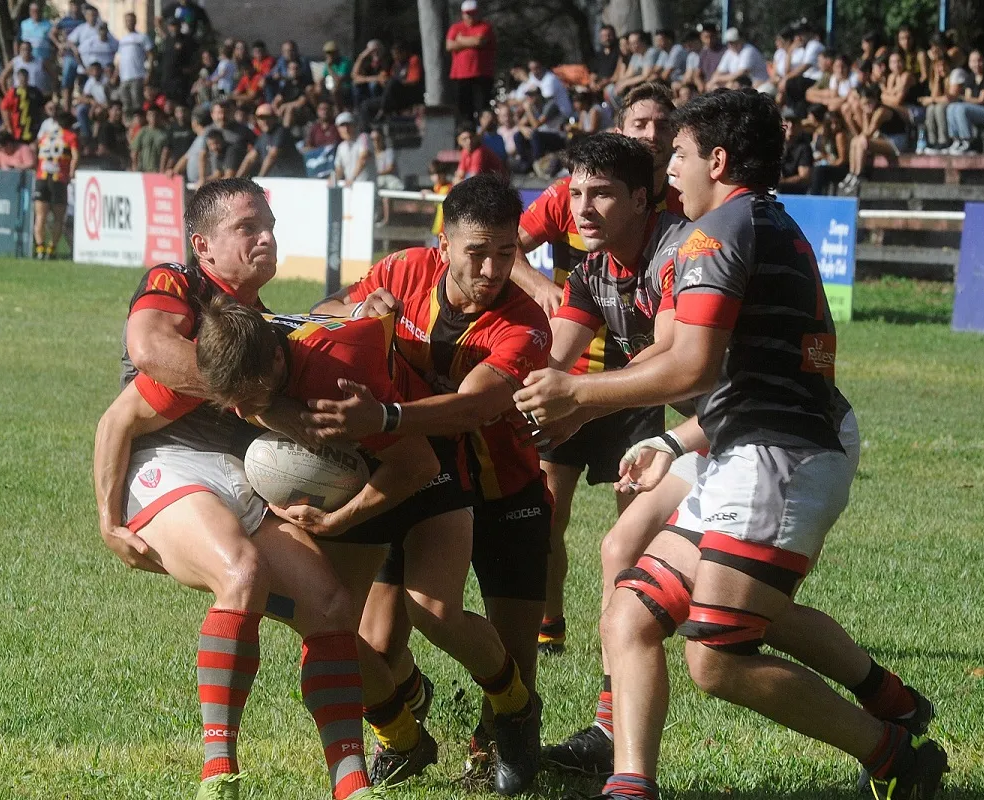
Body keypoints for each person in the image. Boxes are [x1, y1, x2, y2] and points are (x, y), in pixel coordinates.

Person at [512, 89, 948, 800]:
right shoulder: (747, 221)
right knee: (631, 610)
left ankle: (897, 756)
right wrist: (667, 434)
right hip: (750, 443)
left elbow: (691, 367)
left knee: (718, 654)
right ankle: (630, 785)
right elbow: (712, 367)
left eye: (676, 155)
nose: (668, 169)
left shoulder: (715, 233)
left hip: (781, 452)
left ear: (715, 160)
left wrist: (580, 398)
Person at [94, 178, 392, 800]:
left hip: (238, 475)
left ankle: (351, 782)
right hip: (164, 464)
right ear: (203, 246)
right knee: (243, 573)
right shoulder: (180, 289)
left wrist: (361, 317)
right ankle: (219, 776)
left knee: (332, 604)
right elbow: (143, 364)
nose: (266, 239)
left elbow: (311, 324)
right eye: (248, 228)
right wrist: (107, 517)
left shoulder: (253, 323)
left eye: (271, 226)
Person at [307, 174, 551, 796]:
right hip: (420, 477)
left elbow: (471, 411)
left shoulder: (524, 323)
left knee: (504, 650)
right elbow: (324, 312)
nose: (493, 268)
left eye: (506, 253)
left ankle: (510, 725)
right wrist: (363, 313)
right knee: (379, 646)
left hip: (508, 490)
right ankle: (412, 711)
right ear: (445, 243)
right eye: (478, 252)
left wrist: (382, 418)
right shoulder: (404, 270)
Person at [506, 83, 678, 660]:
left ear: (639, 197)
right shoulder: (589, 265)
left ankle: (631, 631)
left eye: (598, 194)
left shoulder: (685, 240)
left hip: (667, 397)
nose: (582, 208)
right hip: (586, 386)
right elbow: (550, 357)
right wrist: (499, 396)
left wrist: (578, 399)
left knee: (632, 529)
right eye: (640, 123)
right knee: (554, 515)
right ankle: (566, 627)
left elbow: (680, 358)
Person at [839, 85, 907, 193]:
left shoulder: (881, 112)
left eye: (869, 103)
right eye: (864, 104)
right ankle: (852, 173)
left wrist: (866, 116)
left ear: (875, 100)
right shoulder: (869, 112)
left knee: (861, 142)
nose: (868, 106)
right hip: (884, 139)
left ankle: (860, 175)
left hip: (896, 142)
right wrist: (865, 114)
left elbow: (868, 133)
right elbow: (865, 131)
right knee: (854, 140)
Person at [33, 108, 79, 260]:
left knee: (41, 216)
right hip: (59, 179)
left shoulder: (46, 136)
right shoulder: (71, 136)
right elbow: (75, 156)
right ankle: (51, 249)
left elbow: (36, 153)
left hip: (41, 178)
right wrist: (72, 172)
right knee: (59, 218)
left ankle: (40, 248)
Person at [446, 0, 497, 123]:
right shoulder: (456, 27)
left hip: (481, 74)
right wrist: (470, 41)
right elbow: (449, 45)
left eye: (473, 13)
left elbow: (479, 41)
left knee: (482, 108)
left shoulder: (485, 27)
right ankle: (467, 132)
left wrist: (460, 39)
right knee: (464, 109)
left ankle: (482, 133)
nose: (470, 17)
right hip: (460, 75)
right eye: (468, 14)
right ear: (463, 14)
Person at [945, 49, 984, 154]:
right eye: (973, 61)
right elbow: (968, 98)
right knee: (952, 107)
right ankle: (957, 140)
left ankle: (968, 142)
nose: (976, 64)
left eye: (979, 60)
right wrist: (960, 99)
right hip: (979, 109)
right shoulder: (971, 77)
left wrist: (960, 97)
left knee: (961, 109)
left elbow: (982, 100)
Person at [236, 104, 304, 178]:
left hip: (291, 179)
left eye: (268, 117)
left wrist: (260, 178)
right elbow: (249, 159)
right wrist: (236, 180)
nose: (265, 121)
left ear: (274, 118)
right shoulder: (262, 137)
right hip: (274, 180)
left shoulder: (281, 132)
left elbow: (272, 155)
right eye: (261, 118)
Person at [116, 12, 154, 113]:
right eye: (127, 21)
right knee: (126, 105)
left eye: (131, 20)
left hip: (137, 76)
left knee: (137, 104)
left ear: (135, 21)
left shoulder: (142, 37)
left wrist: (149, 72)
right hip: (124, 78)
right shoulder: (123, 40)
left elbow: (150, 55)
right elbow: (120, 58)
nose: (129, 23)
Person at [51, 0, 86, 106]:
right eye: (73, 4)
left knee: (82, 83)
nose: (75, 7)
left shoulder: (84, 20)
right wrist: (59, 45)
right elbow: (52, 33)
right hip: (69, 56)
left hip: (82, 57)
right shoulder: (65, 20)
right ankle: (67, 109)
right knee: (67, 84)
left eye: (77, 4)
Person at [808, 107, 850, 194]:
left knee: (819, 171)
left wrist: (829, 162)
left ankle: (814, 196)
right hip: (829, 164)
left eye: (836, 123)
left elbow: (842, 160)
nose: (834, 126)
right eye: (831, 123)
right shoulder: (825, 136)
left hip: (841, 168)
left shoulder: (840, 136)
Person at [1, 69, 46, 147]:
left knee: (34, 148)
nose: (23, 80)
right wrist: (8, 126)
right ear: (18, 78)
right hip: (18, 129)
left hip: (33, 128)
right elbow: (5, 108)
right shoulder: (13, 92)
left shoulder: (35, 91)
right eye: (21, 77)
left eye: (25, 77)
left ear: (28, 78)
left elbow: (42, 108)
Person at [332, 112, 375, 186]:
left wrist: (352, 178)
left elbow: (363, 158)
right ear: (338, 129)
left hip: (366, 188)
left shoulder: (364, 137)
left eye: (348, 125)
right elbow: (339, 169)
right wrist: (333, 179)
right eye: (342, 126)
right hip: (351, 188)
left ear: (354, 126)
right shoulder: (341, 147)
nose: (346, 129)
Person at [778, 106, 812, 192]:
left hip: (794, 192)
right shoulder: (776, 145)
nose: (791, 125)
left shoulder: (804, 148)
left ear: (800, 125)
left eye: (794, 122)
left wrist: (782, 182)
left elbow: (804, 176)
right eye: (787, 121)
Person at [132, 105, 170, 172]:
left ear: (160, 116)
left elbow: (166, 152)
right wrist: (135, 167)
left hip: (158, 170)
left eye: (156, 115)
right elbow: (135, 151)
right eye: (150, 115)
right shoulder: (142, 132)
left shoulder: (165, 133)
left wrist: (162, 169)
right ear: (147, 117)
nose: (153, 117)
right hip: (143, 170)